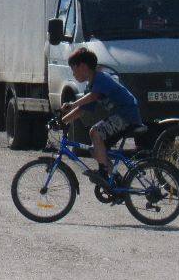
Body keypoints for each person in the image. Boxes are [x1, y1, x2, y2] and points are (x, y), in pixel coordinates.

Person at [60, 47, 143, 189]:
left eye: (74, 69)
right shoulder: (91, 84)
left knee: (95, 132)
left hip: (127, 115)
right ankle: (115, 179)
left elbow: (93, 96)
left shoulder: (101, 78)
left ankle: (103, 173)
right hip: (121, 116)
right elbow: (83, 109)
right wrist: (62, 121)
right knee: (95, 150)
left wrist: (72, 104)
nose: (73, 74)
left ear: (83, 66)